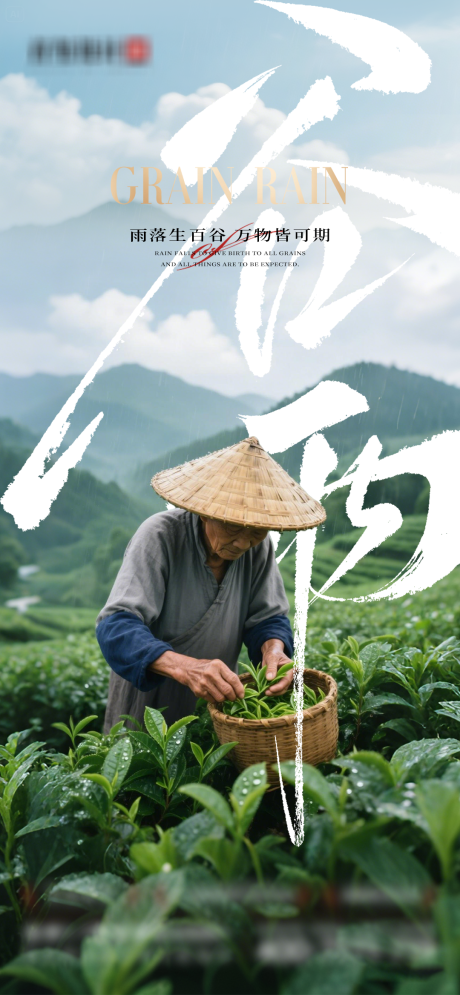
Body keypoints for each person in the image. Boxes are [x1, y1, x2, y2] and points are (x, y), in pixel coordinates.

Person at [96, 436, 325, 731]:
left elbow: (267, 618)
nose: (243, 542)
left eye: (256, 531)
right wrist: (187, 668)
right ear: (206, 512)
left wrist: (273, 650)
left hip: (216, 707)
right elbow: (115, 628)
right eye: (233, 526)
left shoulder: (258, 548)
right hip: (147, 709)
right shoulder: (160, 537)